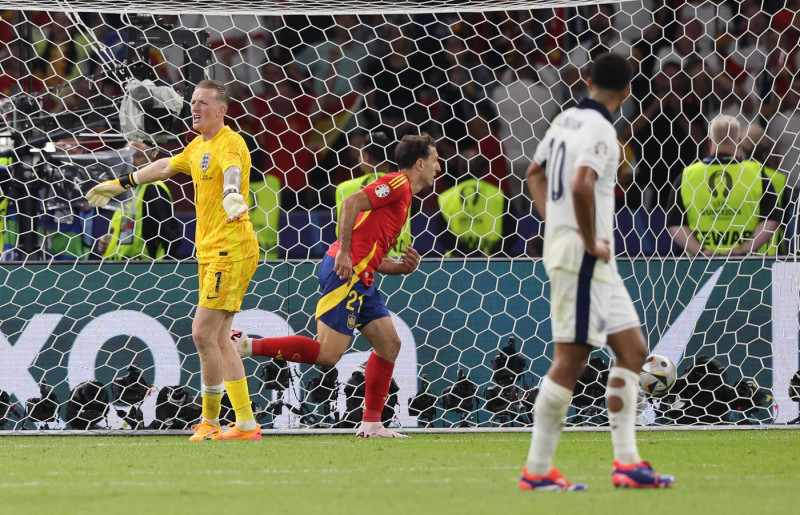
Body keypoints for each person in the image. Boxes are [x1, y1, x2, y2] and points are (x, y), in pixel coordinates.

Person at [522, 52, 674, 490]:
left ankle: (627, 463)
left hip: (584, 255)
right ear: (627, 92)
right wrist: (585, 238)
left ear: (588, 81)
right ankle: (536, 470)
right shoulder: (601, 129)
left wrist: (556, 223)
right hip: (585, 256)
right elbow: (581, 183)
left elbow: (534, 173)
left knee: (632, 351)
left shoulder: (565, 120)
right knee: (570, 360)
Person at [86, 79, 261, 441]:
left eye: (202, 102)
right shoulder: (198, 146)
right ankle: (244, 423)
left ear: (221, 110)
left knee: (202, 333)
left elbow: (232, 172)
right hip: (213, 251)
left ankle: (211, 422)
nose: (194, 107)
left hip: (231, 248)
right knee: (219, 337)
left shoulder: (230, 143)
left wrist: (231, 194)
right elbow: (165, 165)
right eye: (193, 101)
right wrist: (121, 183)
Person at [232, 133, 440, 438]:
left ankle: (372, 424)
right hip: (347, 272)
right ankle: (246, 345)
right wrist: (343, 250)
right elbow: (352, 202)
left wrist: (402, 267)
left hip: (361, 275)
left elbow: (372, 254)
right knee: (329, 354)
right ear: (419, 163)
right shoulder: (397, 183)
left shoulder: (404, 195)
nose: (439, 167)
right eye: (435, 160)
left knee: (389, 345)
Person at [666, 115, 781, 256]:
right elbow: (772, 219)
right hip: (748, 265)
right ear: (739, 142)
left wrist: (701, 251)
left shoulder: (687, 175)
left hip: (700, 269)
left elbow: (674, 224)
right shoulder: (756, 172)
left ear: (709, 142)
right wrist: (744, 249)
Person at [335, 131, 411, 258]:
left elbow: (341, 229)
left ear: (366, 157)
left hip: (362, 260)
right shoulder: (403, 185)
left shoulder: (345, 188)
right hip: (400, 258)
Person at [101, 142, 182, 260]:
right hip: (116, 270)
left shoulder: (153, 189)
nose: (129, 160)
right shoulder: (124, 189)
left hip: (144, 271)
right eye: (125, 156)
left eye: (137, 155)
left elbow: (169, 237)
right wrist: (108, 240)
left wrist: (165, 272)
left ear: (151, 159)